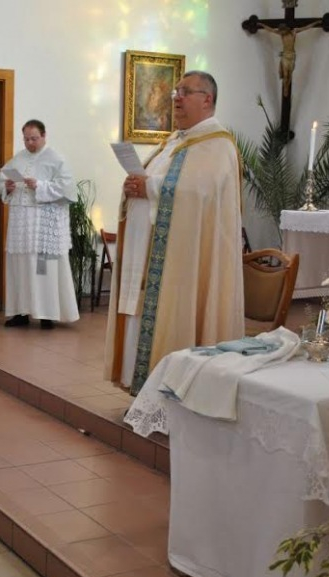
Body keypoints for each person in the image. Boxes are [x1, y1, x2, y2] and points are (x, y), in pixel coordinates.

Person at [105, 70, 244, 396]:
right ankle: (142, 391)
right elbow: (157, 183)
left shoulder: (217, 145)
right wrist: (133, 186)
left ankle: (169, 391)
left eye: (185, 92)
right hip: (147, 252)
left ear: (207, 99)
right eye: (176, 92)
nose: (177, 98)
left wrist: (150, 187)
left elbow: (199, 194)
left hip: (183, 263)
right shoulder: (173, 142)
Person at [0, 120, 79, 330]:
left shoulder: (57, 159)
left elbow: (68, 189)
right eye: (26, 139)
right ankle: (21, 312)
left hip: (44, 224)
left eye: (34, 139)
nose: (30, 143)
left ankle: (47, 314)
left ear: (43, 136)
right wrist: (7, 187)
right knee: (21, 266)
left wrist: (40, 185)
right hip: (21, 226)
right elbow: (1, 181)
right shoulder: (18, 159)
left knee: (44, 268)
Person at [257, 20, 321, 97]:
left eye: (283, 31)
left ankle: (287, 86)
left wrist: (316, 23)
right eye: (281, 31)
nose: (282, 33)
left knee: (289, 74)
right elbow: (270, 30)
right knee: (285, 74)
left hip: (292, 56)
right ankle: (285, 88)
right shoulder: (281, 34)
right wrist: (261, 25)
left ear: (286, 29)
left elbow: (306, 27)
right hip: (285, 56)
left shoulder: (294, 32)